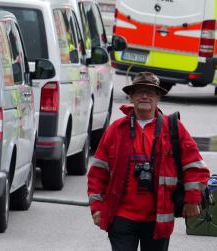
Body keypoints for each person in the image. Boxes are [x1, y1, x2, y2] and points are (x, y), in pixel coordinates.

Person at [87, 72, 210, 251]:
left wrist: (192, 200)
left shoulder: (174, 129)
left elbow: (195, 166)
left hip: (158, 219)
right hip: (121, 217)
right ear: (131, 97)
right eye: (139, 91)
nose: (144, 96)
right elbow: (98, 173)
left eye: (150, 92)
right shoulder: (116, 130)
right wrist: (97, 208)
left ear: (158, 97)